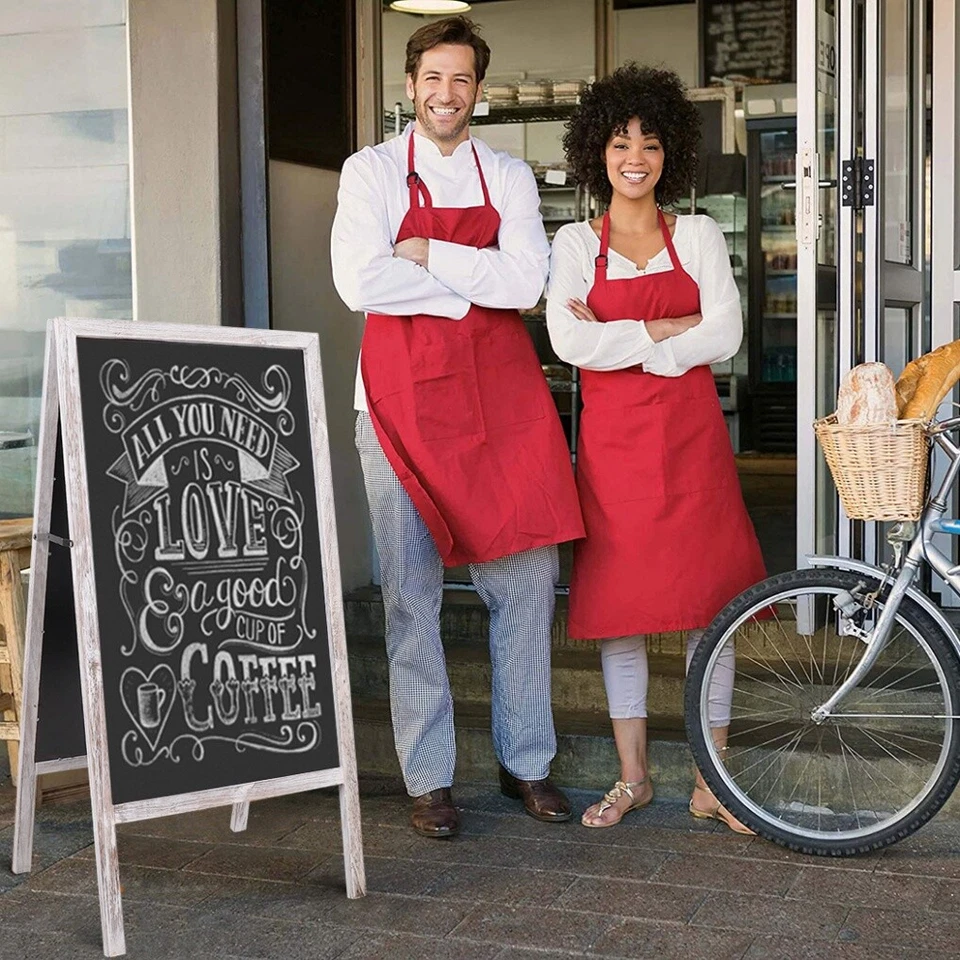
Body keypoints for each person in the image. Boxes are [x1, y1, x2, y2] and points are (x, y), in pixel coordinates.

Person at [332, 16, 584, 839]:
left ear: (478, 90)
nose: (447, 93)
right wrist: (471, 286)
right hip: (398, 407)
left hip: (499, 407)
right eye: (433, 78)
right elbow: (358, 283)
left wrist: (427, 254)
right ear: (411, 86)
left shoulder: (505, 174)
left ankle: (527, 763)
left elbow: (525, 284)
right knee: (411, 599)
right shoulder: (370, 171)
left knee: (526, 583)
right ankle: (430, 779)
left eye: (462, 79)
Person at [545, 65, 766, 832]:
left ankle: (713, 784)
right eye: (619, 140)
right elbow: (568, 340)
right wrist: (668, 329)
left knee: (712, 608)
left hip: (692, 444)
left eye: (648, 141)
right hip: (614, 453)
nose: (634, 156)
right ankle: (633, 778)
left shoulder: (698, 234)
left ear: (670, 151)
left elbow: (726, 332)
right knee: (622, 612)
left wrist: (624, 340)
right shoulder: (576, 243)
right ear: (595, 151)